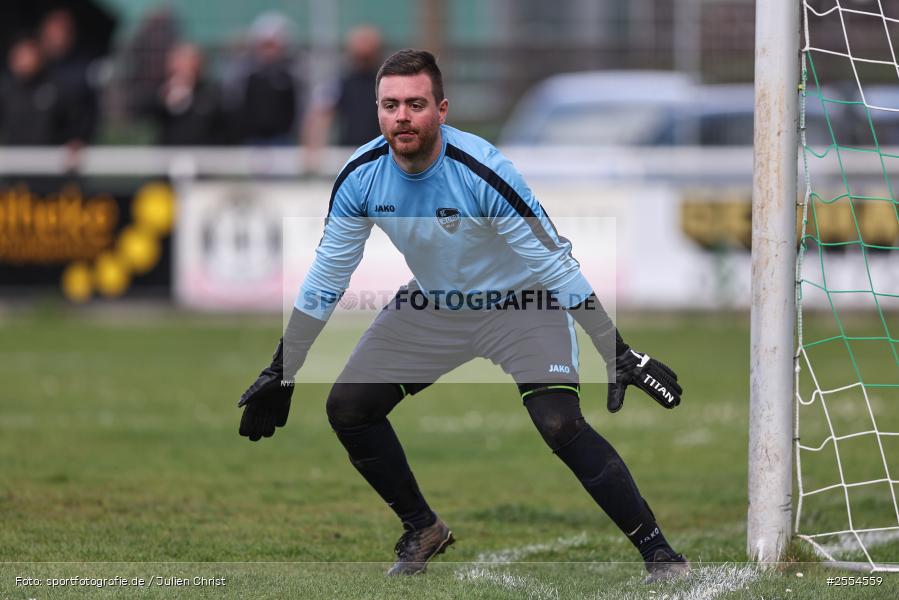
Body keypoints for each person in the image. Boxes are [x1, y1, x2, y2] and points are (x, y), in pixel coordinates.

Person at [237, 49, 689, 583]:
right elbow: (327, 277)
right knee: (349, 406)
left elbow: (551, 261)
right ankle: (423, 528)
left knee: (559, 423)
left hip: (522, 302)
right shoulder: (360, 176)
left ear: (442, 110)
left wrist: (614, 349)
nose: (402, 116)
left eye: (415, 104)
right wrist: (283, 364)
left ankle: (659, 553)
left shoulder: (484, 171)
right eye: (390, 105)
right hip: (435, 302)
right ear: (377, 111)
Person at [302, 26, 384, 169]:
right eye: (359, 55)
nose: (362, 60)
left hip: (381, 151)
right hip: (349, 151)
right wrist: (313, 153)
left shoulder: (387, 82)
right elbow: (321, 115)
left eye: (367, 56)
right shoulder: (341, 82)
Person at [143, 43, 225, 145]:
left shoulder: (209, 91)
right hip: (168, 151)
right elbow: (148, 114)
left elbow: (218, 122)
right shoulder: (162, 88)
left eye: (184, 61)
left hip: (201, 152)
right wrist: (164, 97)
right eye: (176, 60)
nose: (180, 65)